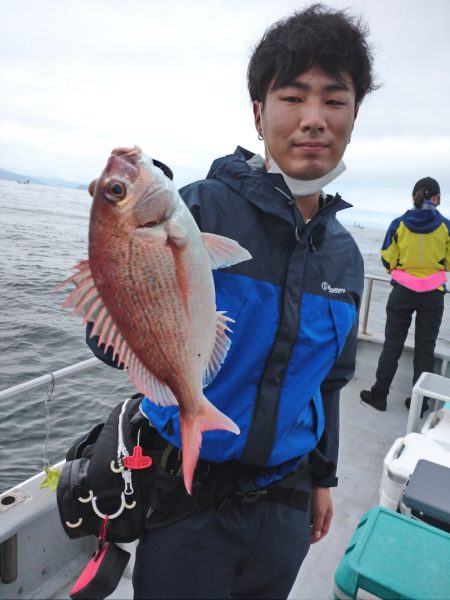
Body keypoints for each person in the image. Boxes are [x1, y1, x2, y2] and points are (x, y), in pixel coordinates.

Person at [87, 4, 376, 598]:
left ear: (354, 114)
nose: (314, 119)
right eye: (293, 97)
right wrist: (120, 248)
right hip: (187, 498)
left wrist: (322, 479)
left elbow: (329, 382)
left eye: (334, 99)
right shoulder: (201, 208)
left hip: (287, 507)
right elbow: (108, 343)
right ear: (258, 112)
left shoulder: (346, 257)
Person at [360, 177, 449, 416]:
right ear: (437, 198)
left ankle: (379, 396)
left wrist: (402, 271)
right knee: (425, 349)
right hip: (433, 295)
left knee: (392, 345)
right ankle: (421, 405)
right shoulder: (446, 227)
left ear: (414, 197)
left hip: (402, 292)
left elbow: (387, 258)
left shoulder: (398, 224)